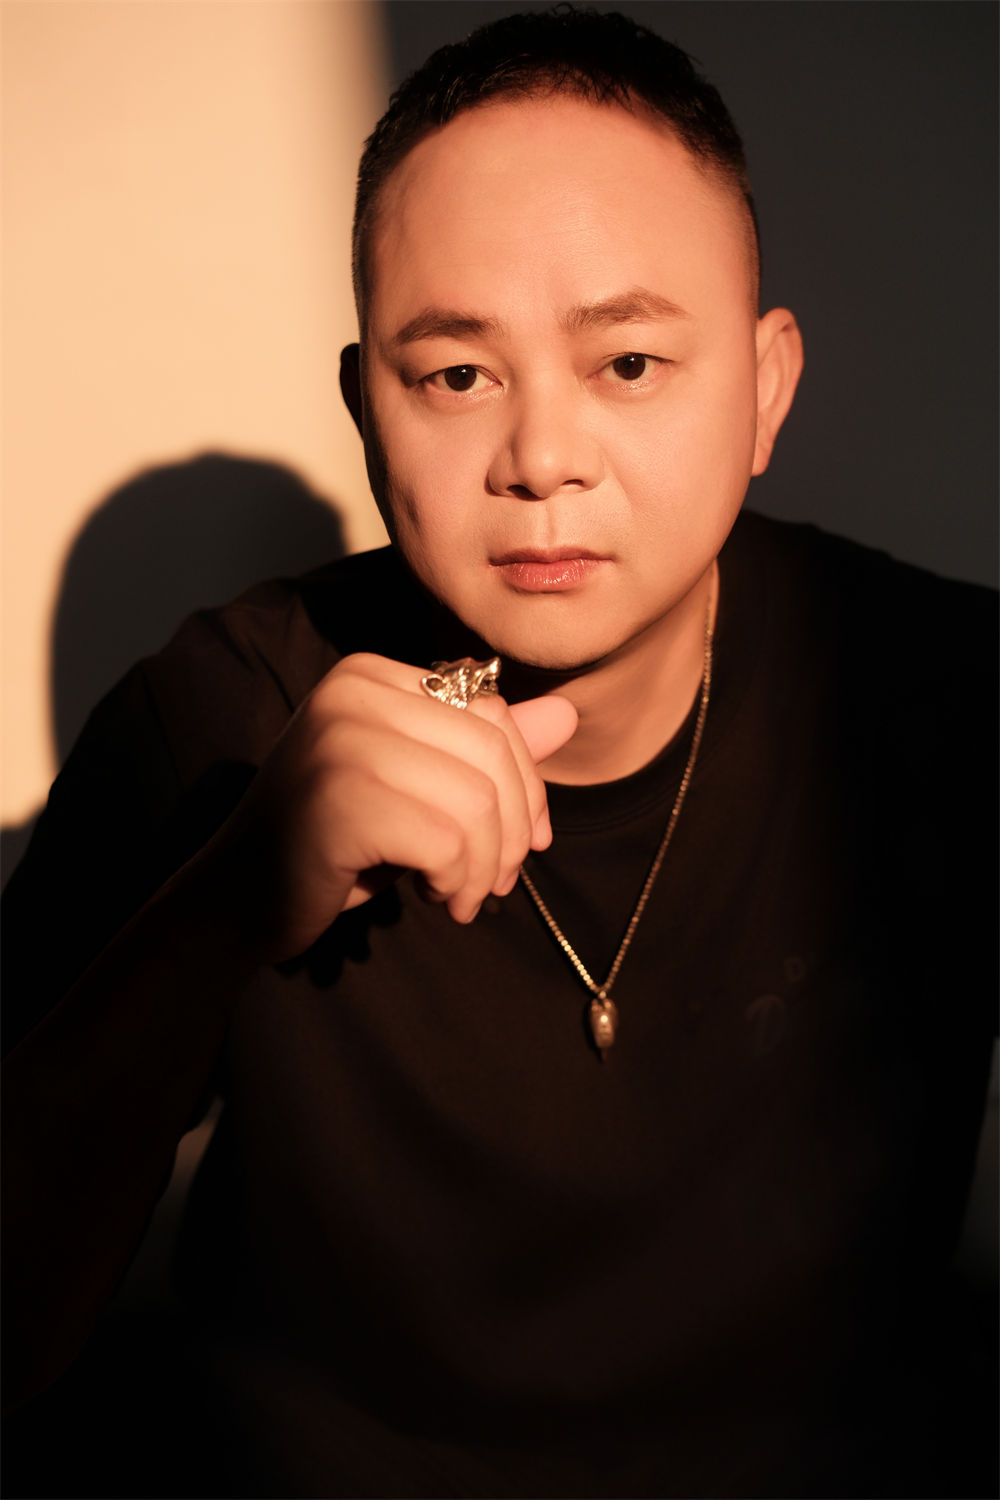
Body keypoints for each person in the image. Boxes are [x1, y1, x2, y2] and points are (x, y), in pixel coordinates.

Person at [3, 8, 996, 1497]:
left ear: (766, 391)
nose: (541, 460)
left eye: (629, 363)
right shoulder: (221, 716)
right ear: (367, 411)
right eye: (458, 377)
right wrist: (223, 905)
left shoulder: (940, 698)